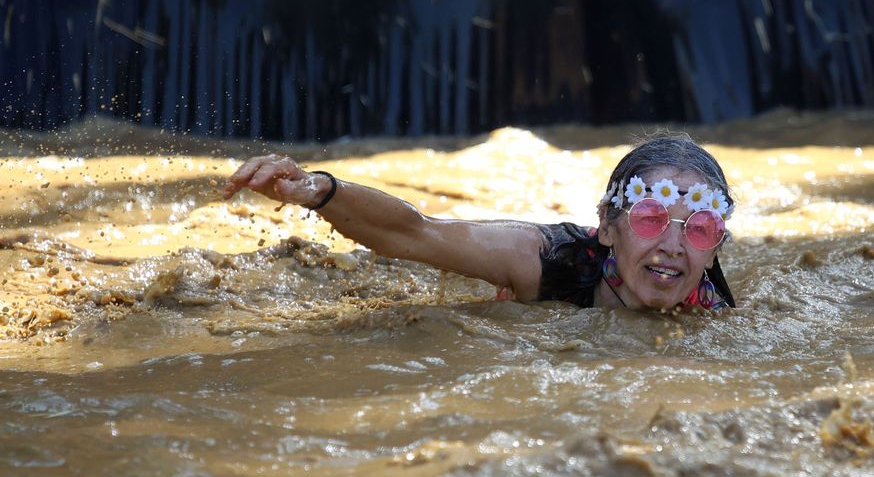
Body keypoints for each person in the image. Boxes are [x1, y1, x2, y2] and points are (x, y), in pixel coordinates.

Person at [221, 133, 737, 310]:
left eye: (697, 230)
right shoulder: (543, 260)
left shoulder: (716, 315)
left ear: (714, 246)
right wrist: (317, 189)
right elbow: (416, 232)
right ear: (607, 226)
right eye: (649, 219)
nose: (673, 245)